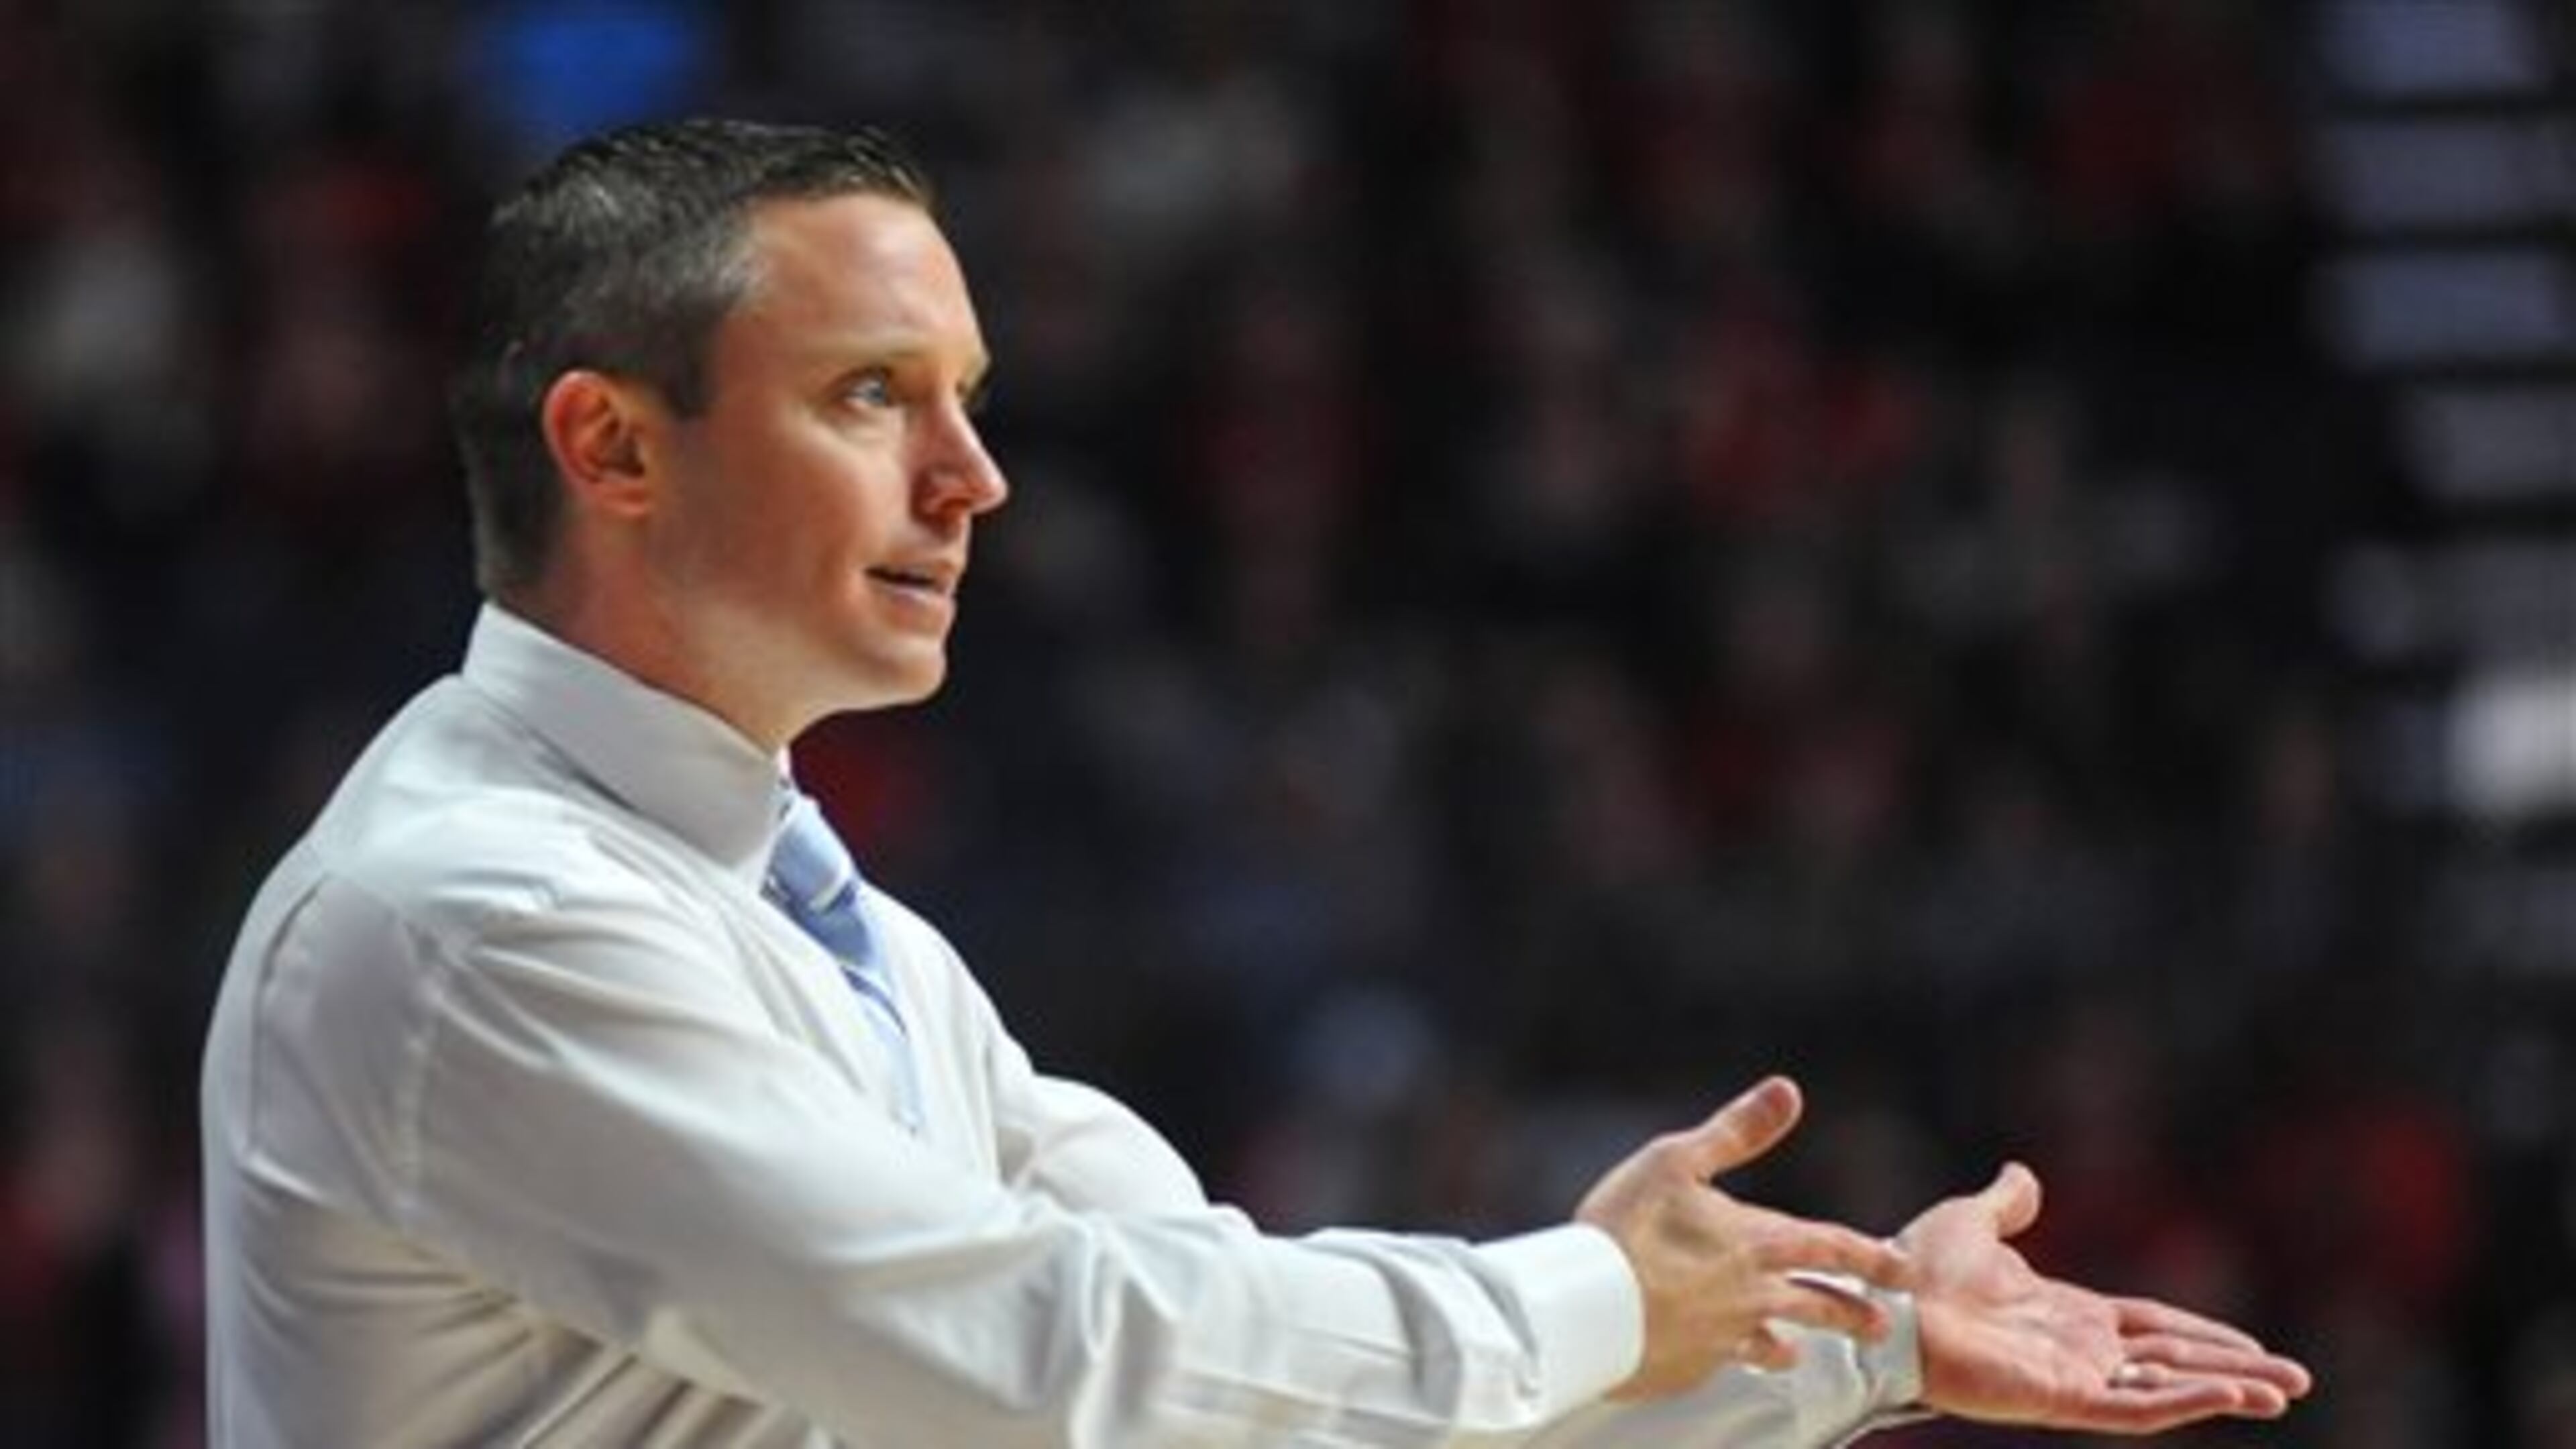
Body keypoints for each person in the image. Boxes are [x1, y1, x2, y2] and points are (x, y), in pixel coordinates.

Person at [199, 117, 2309, 1447]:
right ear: (614, 447)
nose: (974, 476)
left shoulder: (835, 936)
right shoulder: (471, 917)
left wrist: (1843, 1341)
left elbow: (1243, 1394)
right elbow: (1045, 1350)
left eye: (971, 400)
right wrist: (1589, 1295)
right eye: (873, 398)